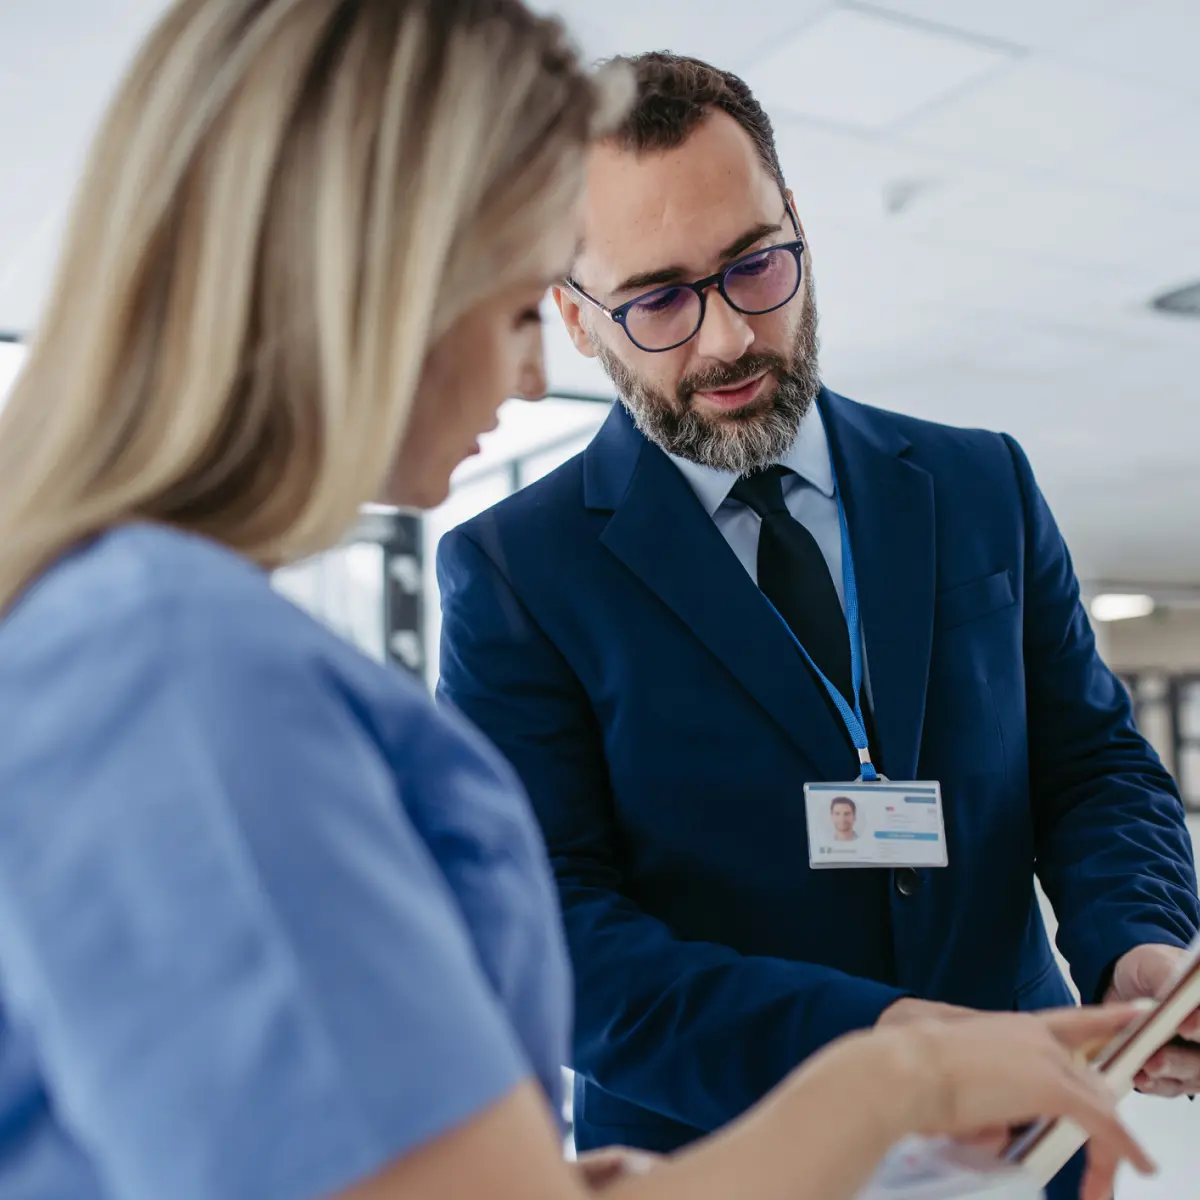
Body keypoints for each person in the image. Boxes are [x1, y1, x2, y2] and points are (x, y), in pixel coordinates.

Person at [0, 4, 1164, 1200]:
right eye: (519, 310)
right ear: (380, 289)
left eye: (755, 266)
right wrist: (892, 1076)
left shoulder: (152, 634)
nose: (523, 380)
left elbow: (1088, 756)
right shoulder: (173, 664)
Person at [434, 50, 1200, 1198]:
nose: (729, 340)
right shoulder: (513, 572)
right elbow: (557, 939)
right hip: (730, 1157)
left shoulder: (978, 482)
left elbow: (1087, 763)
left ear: (798, 222)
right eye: (655, 301)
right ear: (577, 320)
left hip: (1030, 1136)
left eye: (755, 266)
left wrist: (1137, 938)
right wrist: (891, 1053)